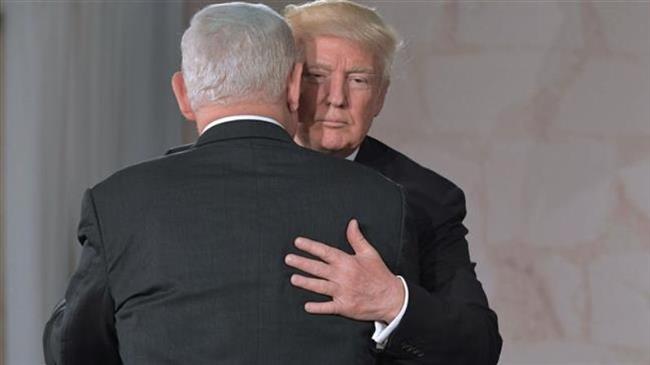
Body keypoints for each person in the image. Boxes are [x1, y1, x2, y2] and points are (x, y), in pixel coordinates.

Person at [42, 3, 415, 364]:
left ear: (184, 94)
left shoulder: (117, 203)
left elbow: (72, 348)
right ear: (294, 86)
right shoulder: (381, 199)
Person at [281, 1, 503, 364]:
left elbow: (478, 347)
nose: (336, 98)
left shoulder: (428, 199)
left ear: (380, 96)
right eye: (316, 76)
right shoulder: (228, 178)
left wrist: (391, 300)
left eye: (358, 80)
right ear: (288, 84)